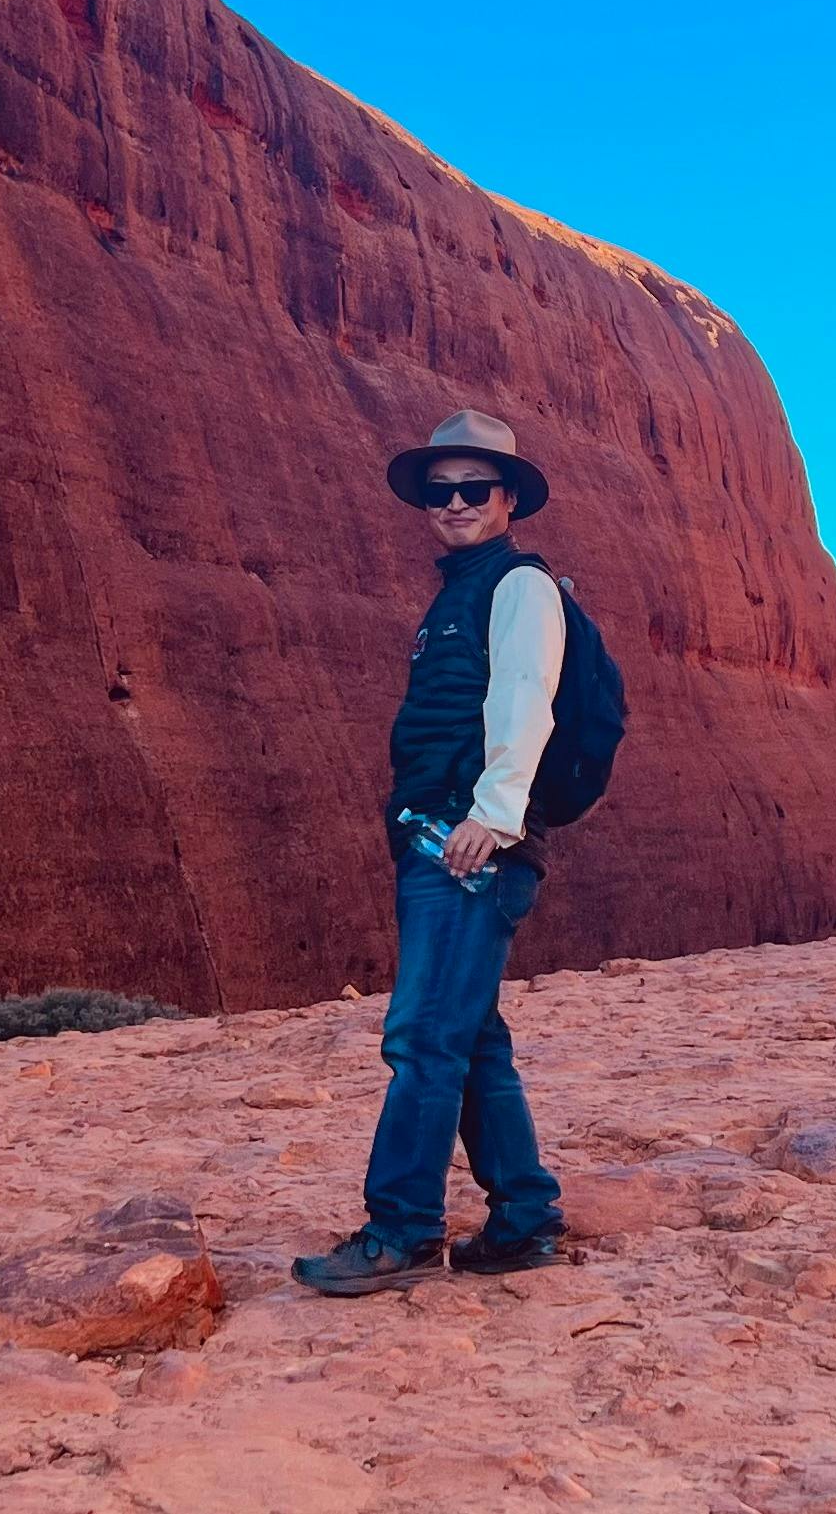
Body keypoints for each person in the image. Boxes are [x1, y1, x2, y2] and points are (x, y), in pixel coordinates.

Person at [292, 409, 574, 1294]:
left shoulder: (519, 586)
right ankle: (525, 1218)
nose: (454, 503)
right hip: (441, 837)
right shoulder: (456, 590)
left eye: (473, 488)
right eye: (439, 490)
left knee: (422, 1037)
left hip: (470, 846)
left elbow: (527, 695)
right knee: (472, 1037)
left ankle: (402, 1228)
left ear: (507, 498)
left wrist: (494, 812)